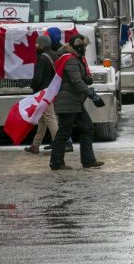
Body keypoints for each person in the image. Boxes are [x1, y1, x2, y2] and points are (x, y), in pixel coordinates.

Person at [49, 34, 105, 171]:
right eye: (84, 46)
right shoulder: (71, 60)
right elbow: (76, 81)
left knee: (87, 128)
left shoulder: (75, 58)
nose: (85, 49)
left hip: (74, 102)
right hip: (68, 101)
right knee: (64, 132)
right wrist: (91, 94)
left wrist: (87, 79)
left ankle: (88, 160)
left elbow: (79, 78)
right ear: (79, 46)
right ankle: (56, 163)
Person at [24, 35, 64, 154]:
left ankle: (59, 145)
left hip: (43, 93)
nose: (35, 46)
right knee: (42, 119)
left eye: (37, 44)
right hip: (52, 90)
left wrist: (32, 86)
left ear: (41, 45)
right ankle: (35, 145)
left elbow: (38, 78)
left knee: (50, 118)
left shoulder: (42, 58)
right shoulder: (54, 55)